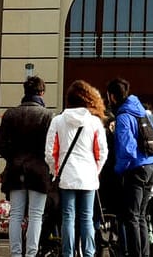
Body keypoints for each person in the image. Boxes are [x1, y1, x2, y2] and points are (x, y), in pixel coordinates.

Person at [45, 80, 109, 257]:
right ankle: (88, 253)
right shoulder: (95, 123)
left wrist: (56, 171)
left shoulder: (58, 121)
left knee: (68, 218)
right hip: (88, 176)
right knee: (87, 218)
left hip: (66, 175)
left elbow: (50, 152)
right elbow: (102, 152)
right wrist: (95, 171)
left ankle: (68, 253)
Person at [0, 73, 55, 257]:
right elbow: (51, 147)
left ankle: (15, 254)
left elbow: (0, 145)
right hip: (39, 171)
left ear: (25, 92)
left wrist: (13, 158)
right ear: (42, 92)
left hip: (15, 169)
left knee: (16, 214)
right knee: (36, 215)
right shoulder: (48, 116)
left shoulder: (10, 114)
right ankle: (31, 253)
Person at [105, 79, 153, 257]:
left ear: (112, 96)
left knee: (131, 217)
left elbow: (126, 149)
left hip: (136, 169)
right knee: (141, 215)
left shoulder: (123, 116)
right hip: (152, 164)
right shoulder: (141, 111)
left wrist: (119, 170)